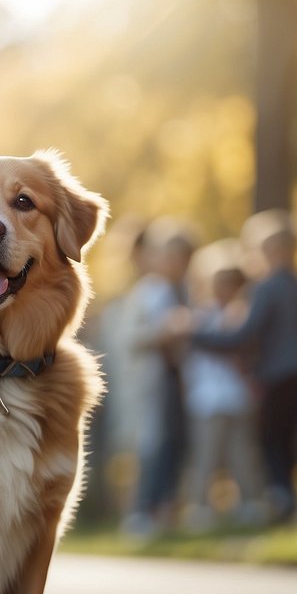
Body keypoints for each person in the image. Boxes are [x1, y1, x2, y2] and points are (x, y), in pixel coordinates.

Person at [182, 210, 297, 523]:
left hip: (276, 374)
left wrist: (195, 333)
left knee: (271, 441)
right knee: (291, 440)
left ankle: (282, 501)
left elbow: (244, 335)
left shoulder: (268, 288)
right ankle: (293, 503)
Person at [119, 220, 196, 538]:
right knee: (153, 443)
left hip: (180, 378)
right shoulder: (148, 291)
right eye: (170, 256)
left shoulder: (189, 289)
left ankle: (168, 507)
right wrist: (162, 333)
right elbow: (131, 338)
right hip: (152, 379)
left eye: (182, 258)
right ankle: (142, 511)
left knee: (178, 442)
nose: (175, 264)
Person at [182, 244, 266, 531]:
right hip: (207, 398)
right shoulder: (201, 317)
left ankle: (251, 503)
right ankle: (200, 508)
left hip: (237, 396)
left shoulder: (244, 316)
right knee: (206, 455)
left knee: (243, 453)